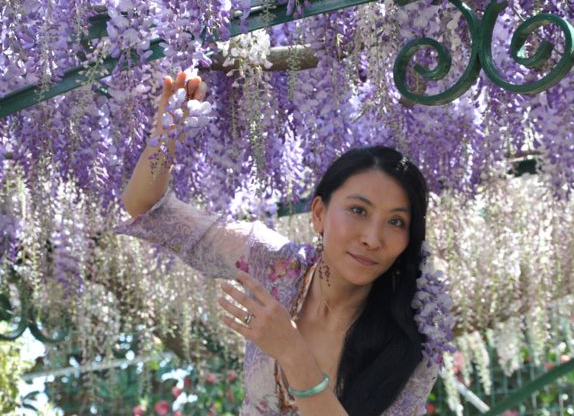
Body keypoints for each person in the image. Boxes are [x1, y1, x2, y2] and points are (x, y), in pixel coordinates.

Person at [116, 72, 452, 416]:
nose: (372, 238)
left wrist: (292, 352)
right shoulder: (276, 264)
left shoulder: (416, 335)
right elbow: (149, 209)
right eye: (358, 210)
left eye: (396, 221)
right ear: (319, 214)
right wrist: (165, 135)